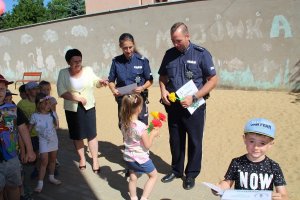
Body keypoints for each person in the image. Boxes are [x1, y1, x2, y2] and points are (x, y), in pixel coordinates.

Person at [158, 22, 218, 190]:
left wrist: (194, 97)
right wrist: (162, 92)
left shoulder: (201, 54)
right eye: (173, 41)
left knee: (194, 141)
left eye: (178, 40)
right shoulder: (169, 54)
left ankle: (191, 174)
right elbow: (162, 77)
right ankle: (176, 170)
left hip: (195, 105)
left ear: (187, 36)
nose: (175, 44)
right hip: (174, 106)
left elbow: (213, 80)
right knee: (175, 140)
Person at [57, 48, 107, 173]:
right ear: (68, 62)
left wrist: (101, 82)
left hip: (88, 106)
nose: (78, 63)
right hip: (72, 108)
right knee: (77, 135)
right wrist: (77, 98)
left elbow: (95, 81)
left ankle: (95, 160)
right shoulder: (63, 73)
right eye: (75, 61)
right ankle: (82, 159)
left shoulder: (88, 70)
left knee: (91, 134)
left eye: (80, 60)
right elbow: (61, 91)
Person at [212, 118, 288, 200]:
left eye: (262, 143)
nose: (256, 147)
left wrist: (280, 197)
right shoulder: (237, 162)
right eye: (251, 141)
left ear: (270, 144)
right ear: (244, 139)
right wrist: (220, 188)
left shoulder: (274, 166)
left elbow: (283, 195)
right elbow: (228, 183)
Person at [0, 74, 36, 200]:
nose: (0, 92)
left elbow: (23, 129)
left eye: (2, 89)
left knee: (14, 186)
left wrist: (29, 150)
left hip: (11, 157)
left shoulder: (13, 109)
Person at [108, 33, 153, 129]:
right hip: (124, 101)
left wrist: (142, 87)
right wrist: (113, 89)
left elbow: (150, 80)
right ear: (120, 46)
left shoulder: (142, 60)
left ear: (134, 45)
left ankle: (142, 144)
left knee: (142, 126)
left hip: (139, 100)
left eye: (130, 47)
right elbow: (111, 80)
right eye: (125, 48)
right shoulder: (116, 62)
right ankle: (128, 144)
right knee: (125, 127)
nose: (128, 51)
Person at [120, 94, 160, 200]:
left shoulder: (124, 123)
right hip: (140, 158)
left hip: (128, 157)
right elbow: (147, 146)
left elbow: (132, 135)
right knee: (153, 176)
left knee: (133, 177)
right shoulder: (141, 126)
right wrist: (152, 134)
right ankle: (144, 198)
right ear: (139, 109)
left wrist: (148, 129)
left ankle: (133, 197)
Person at [29, 93, 61, 193]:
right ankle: (40, 183)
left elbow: (57, 126)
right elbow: (28, 129)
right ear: (39, 105)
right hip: (43, 142)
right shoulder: (34, 116)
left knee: (52, 160)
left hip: (53, 141)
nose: (49, 106)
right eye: (47, 104)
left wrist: (54, 113)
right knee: (43, 161)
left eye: (49, 104)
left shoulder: (52, 114)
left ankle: (51, 177)